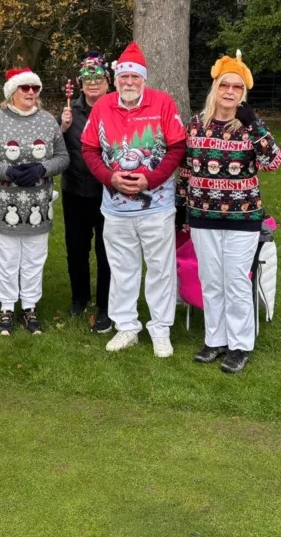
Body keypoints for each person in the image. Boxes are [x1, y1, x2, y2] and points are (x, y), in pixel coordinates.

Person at [177, 51, 280, 373]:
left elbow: (274, 162)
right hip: (203, 215)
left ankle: (240, 345)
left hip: (243, 216)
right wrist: (182, 212)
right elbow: (184, 170)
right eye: (225, 85)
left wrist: (254, 123)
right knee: (211, 279)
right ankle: (215, 339)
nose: (230, 92)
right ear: (215, 88)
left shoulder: (249, 126)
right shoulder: (196, 124)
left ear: (243, 93)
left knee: (235, 280)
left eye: (237, 87)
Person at [81, 42, 186, 358]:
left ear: (144, 79)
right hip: (115, 208)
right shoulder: (103, 106)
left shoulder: (163, 103)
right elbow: (89, 149)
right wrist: (109, 178)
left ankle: (160, 329)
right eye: (124, 76)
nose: (129, 82)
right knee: (121, 268)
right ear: (117, 78)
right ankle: (126, 326)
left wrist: (150, 179)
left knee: (160, 268)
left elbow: (177, 148)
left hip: (157, 206)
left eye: (135, 77)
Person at [0, 67, 69, 335]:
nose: (30, 92)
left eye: (34, 88)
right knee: (6, 257)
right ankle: (6, 307)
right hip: (4, 204)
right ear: (12, 92)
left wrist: (43, 169)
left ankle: (29, 307)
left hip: (38, 205)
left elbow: (63, 157)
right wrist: (7, 172)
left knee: (35, 257)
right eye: (24, 88)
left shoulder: (48, 121)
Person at [59, 51, 112, 333]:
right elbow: (53, 147)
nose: (93, 84)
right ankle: (79, 298)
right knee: (76, 248)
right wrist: (62, 126)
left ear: (108, 81)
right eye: (88, 79)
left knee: (107, 250)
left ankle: (105, 303)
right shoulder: (70, 111)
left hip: (108, 193)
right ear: (80, 84)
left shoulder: (116, 108)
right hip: (74, 191)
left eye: (99, 78)